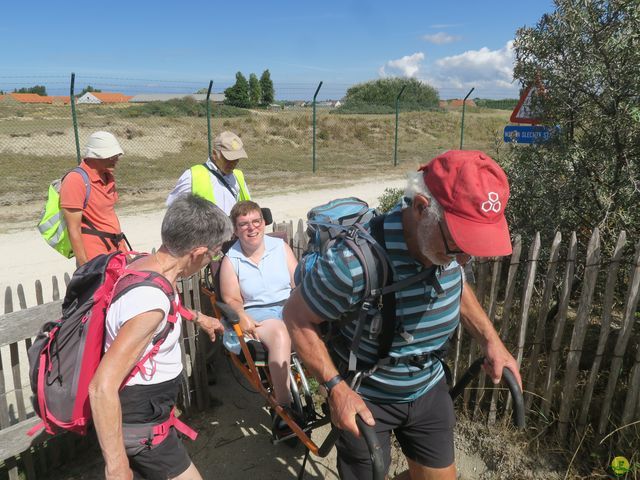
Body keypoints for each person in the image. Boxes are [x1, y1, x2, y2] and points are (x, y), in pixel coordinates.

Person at [283, 150, 523, 480]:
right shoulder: (352, 264)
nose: (465, 259)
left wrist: (491, 341)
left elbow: (455, 283)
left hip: (429, 385)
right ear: (422, 208)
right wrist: (336, 390)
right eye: (458, 245)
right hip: (365, 396)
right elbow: (296, 317)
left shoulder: (441, 245)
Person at [89, 194, 233, 480]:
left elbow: (166, 303)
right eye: (213, 254)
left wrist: (198, 317)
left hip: (150, 420)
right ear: (197, 252)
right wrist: (117, 469)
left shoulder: (148, 265)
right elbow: (101, 388)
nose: (211, 260)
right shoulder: (149, 304)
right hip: (143, 432)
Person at [219, 201, 298, 429]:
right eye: (244, 224)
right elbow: (232, 298)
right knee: (281, 334)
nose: (251, 228)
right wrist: (240, 314)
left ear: (264, 223)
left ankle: (329, 392)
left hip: (288, 305)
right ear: (235, 230)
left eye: (256, 221)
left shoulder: (280, 247)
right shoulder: (231, 259)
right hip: (258, 314)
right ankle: (284, 408)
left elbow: (297, 282)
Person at [60, 131, 129, 266]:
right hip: (95, 258)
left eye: (117, 155)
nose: (116, 159)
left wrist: (123, 249)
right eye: (111, 156)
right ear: (95, 156)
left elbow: (108, 216)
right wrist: (84, 265)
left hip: (116, 251)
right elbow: (73, 228)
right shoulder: (75, 180)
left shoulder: (107, 176)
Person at [166, 131, 251, 214]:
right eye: (229, 159)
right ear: (214, 154)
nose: (233, 163)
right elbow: (174, 212)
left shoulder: (238, 176)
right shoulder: (192, 176)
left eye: (236, 159)